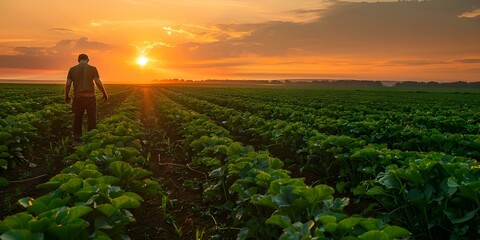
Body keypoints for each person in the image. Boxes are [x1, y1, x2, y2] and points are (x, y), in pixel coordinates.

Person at [65, 53, 108, 145]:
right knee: (92, 118)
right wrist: (104, 93)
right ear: (88, 60)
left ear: (78, 60)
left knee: (77, 118)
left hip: (78, 97)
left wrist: (67, 95)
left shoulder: (72, 69)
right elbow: (98, 82)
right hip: (91, 97)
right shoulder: (93, 69)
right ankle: (91, 139)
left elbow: (68, 84)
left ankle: (77, 139)